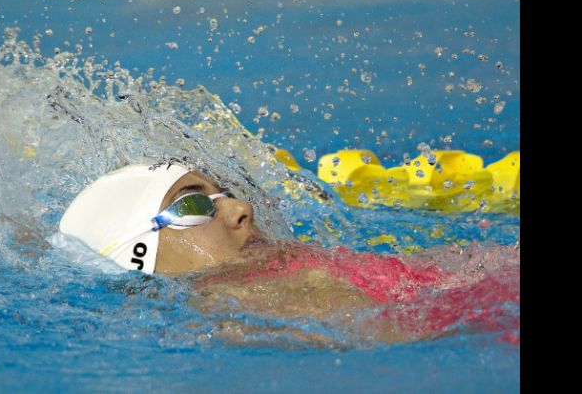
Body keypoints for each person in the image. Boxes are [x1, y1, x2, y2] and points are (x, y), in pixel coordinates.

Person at [59, 161, 520, 347]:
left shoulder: (291, 269)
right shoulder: (242, 300)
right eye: (196, 206)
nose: (242, 209)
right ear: (138, 253)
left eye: (227, 195)